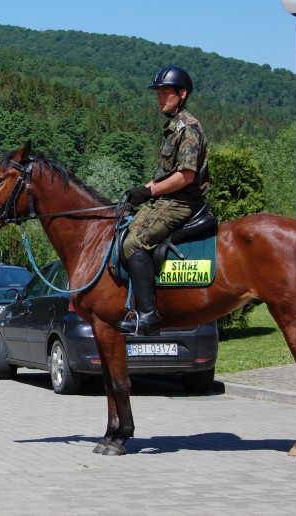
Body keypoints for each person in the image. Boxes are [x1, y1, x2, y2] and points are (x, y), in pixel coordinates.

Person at [117, 65, 209, 336]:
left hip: (182, 202)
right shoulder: (172, 126)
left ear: (182, 94)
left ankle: (148, 317)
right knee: (123, 230)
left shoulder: (188, 128)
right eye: (158, 92)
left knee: (135, 243)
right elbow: (164, 174)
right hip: (167, 199)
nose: (160, 97)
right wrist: (138, 192)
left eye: (165, 92)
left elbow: (185, 176)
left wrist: (149, 192)